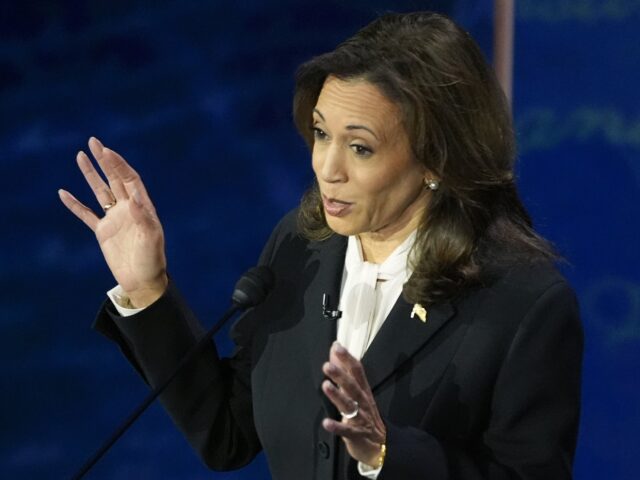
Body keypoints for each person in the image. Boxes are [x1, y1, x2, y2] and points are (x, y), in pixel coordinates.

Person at [59, 11, 583, 480]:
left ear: (436, 161)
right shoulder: (302, 248)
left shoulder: (523, 303)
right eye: (320, 133)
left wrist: (386, 453)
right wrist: (149, 289)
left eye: (360, 147)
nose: (326, 169)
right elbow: (228, 434)